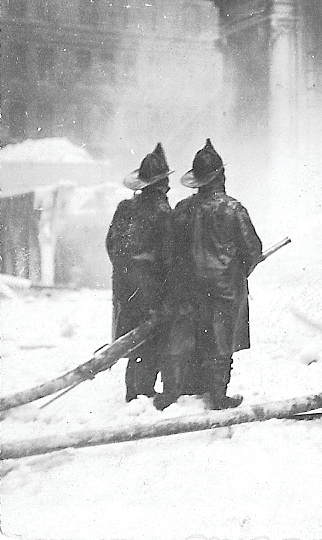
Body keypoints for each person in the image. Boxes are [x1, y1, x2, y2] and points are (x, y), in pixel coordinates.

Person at [155, 139, 263, 411]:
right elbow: (253, 249)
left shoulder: (181, 209)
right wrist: (237, 273)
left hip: (187, 288)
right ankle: (217, 396)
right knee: (220, 342)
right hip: (224, 289)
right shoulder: (233, 209)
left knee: (186, 337)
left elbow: (169, 250)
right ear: (220, 176)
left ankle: (177, 390)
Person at [106, 143, 173, 402]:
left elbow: (111, 244)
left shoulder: (124, 208)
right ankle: (142, 391)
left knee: (132, 339)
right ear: (161, 183)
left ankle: (132, 390)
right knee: (151, 338)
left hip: (125, 286)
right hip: (151, 287)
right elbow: (168, 255)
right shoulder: (162, 212)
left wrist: (125, 272)